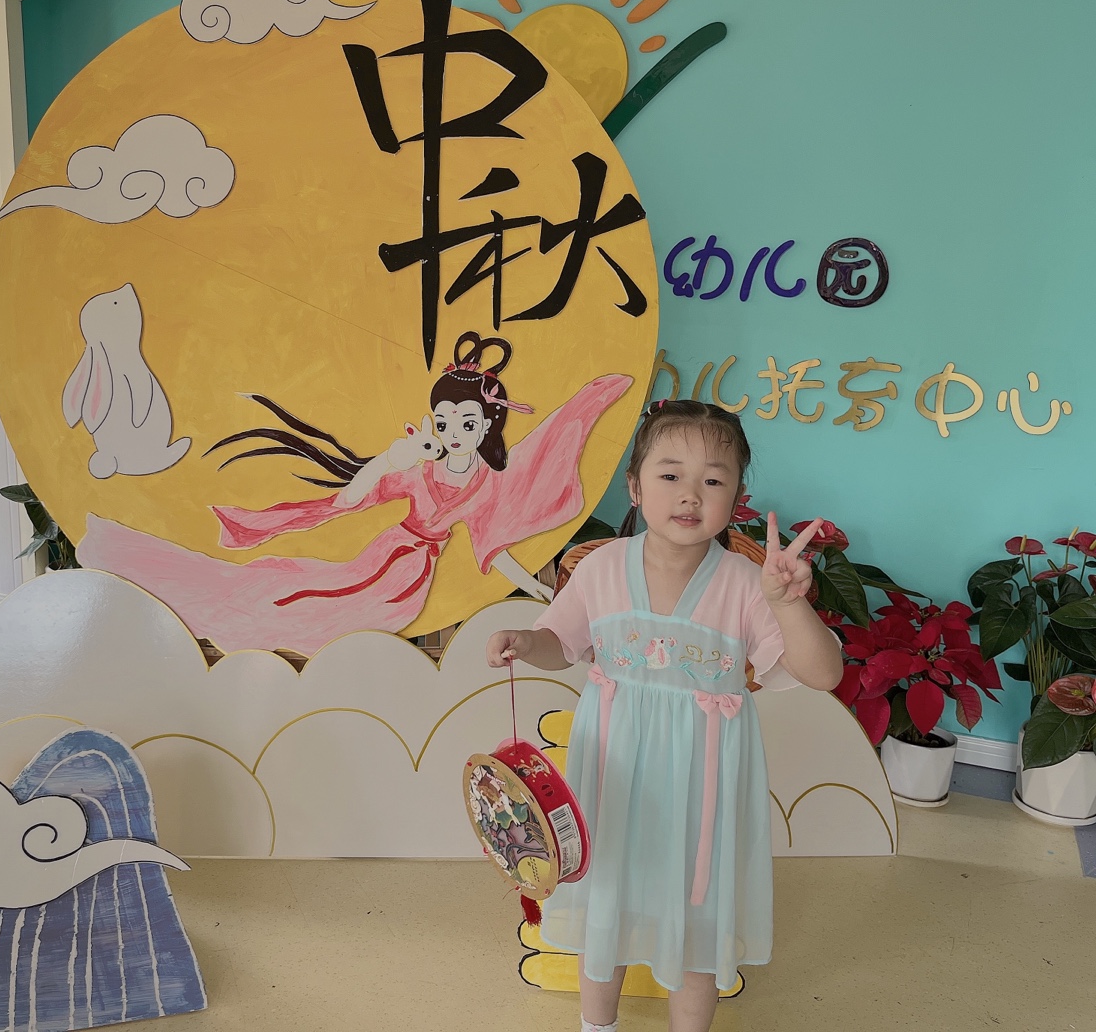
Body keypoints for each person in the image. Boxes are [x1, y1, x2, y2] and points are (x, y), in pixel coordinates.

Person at [485, 399, 841, 1032]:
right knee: (607, 901)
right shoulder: (601, 568)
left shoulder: (745, 583)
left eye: (714, 480)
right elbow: (558, 643)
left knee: (697, 914)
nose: (690, 494)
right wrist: (524, 639)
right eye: (670, 474)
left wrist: (789, 603)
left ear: (737, 497)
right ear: (635, 485)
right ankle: (598, 1026)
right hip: (613, 774)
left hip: (702, 787)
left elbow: (824, 674)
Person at [79, 334, 633, 655]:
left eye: (466, 422)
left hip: (412, 580)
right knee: (294, 593)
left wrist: (539, 592)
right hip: (383, 555)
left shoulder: (486, 485)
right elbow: (351, 498)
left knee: (327, 614)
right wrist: (390, 460)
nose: (453, 431)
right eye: (444, 420)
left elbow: (494, 549)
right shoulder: (417, 469)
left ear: (487, 425)